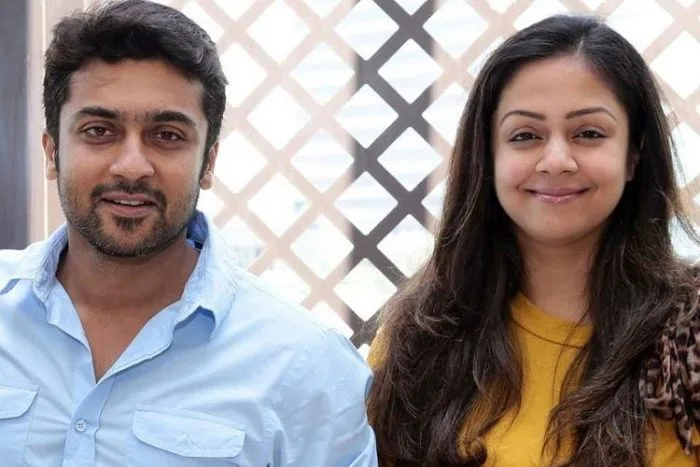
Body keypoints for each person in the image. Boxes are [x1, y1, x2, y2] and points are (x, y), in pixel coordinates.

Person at [0, 1, 377, 465]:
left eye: (167, 135)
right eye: (99, 130)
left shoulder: (306, 366)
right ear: (52, 152)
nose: (132, 167)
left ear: (208, 163)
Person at [367, 14, 700, 467]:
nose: (556, 160)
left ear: (633, 155)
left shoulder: (687, 338)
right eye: (525, 136)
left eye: (589, 134)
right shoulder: (415, 341)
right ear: (488, 156)